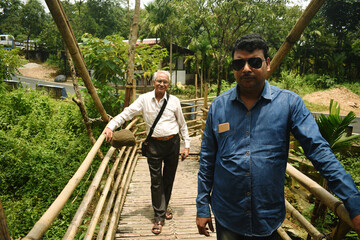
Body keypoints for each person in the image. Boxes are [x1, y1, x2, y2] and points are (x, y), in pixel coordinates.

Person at [196, 33, 360, 239]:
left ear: (268, 64)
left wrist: (353, 201)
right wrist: (202, 206)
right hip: (228, 214)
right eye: (239, 64)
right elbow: (207, 159)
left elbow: (318, 150)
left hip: (268, 216)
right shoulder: (218, 106)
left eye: (254, 62)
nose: (246, 69)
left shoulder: (289, 104)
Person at [105, 70, 190, 235]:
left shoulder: (174, 101)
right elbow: (127, 113)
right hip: (154, 145)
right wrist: (111, 126)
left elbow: (182, 124)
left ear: (168, 84)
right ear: (153, 82)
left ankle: (163, 208)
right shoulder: (144, 100)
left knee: (168, 178)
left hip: (172, 143)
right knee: (156, 180)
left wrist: (187, 145)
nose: (161, 84)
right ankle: (159, 216)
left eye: (165, 82)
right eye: (159, 81)